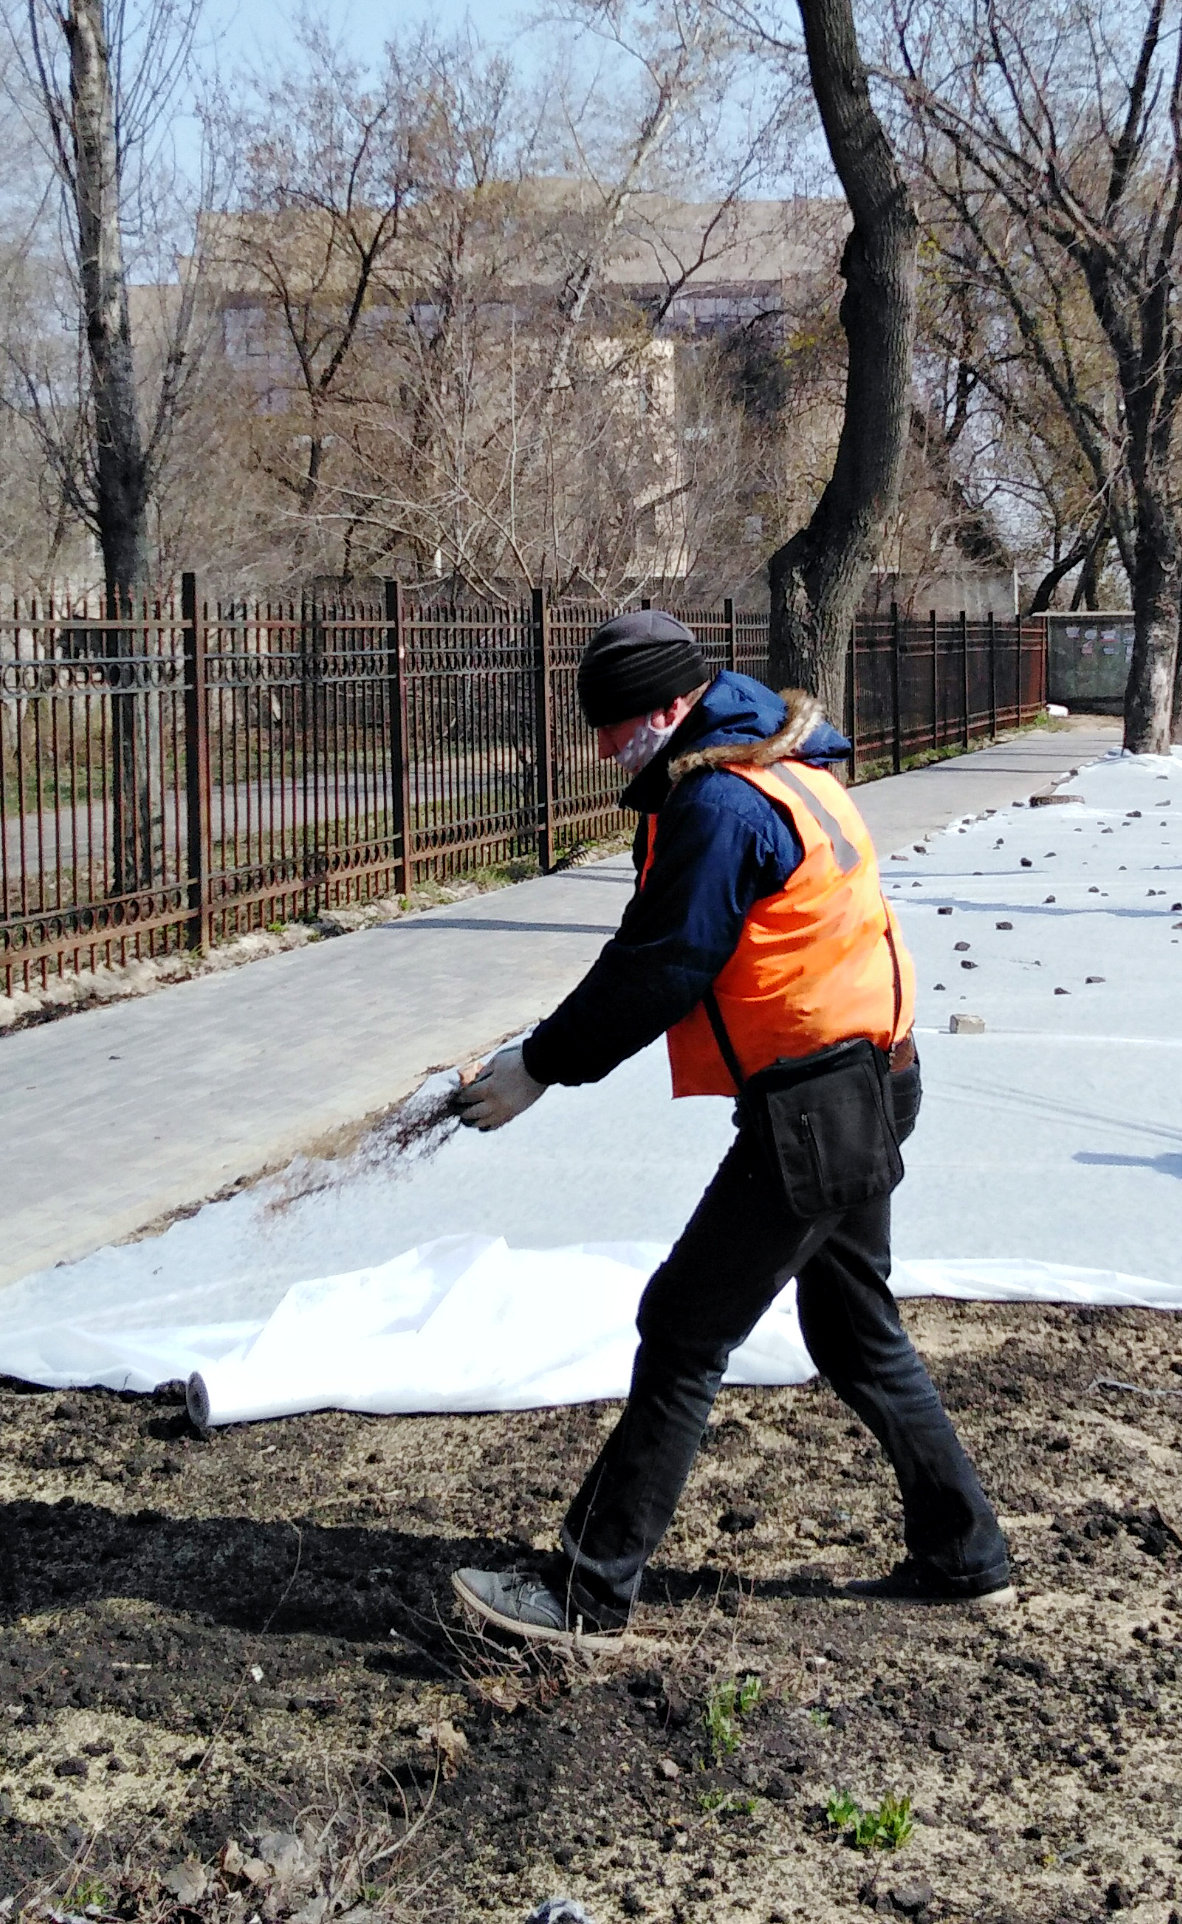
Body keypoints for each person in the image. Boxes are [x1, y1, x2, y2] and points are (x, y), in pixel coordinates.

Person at [445, 610, 1011, 1648]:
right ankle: (967, 1554)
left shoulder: (722, 801)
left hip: (821, 1107)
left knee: (683, 1327)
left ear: (670, 707)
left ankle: (587, 1589)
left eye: (617, 728)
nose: (607, 749)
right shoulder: (785, 764)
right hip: (874, 1079)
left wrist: (541, 1066)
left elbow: (663, 962)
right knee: (853, 1331)